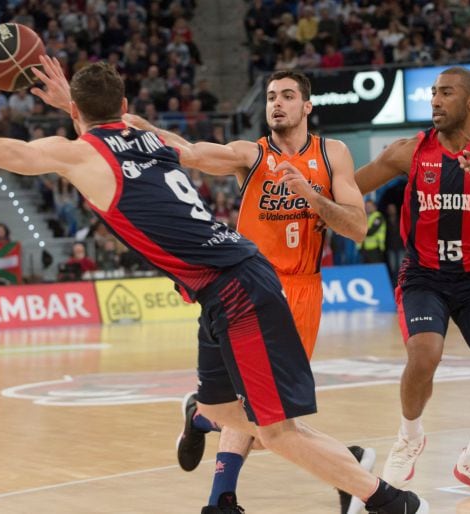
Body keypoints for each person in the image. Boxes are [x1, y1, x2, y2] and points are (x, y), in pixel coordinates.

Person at [0, 60, 428, 514]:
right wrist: (74, 96)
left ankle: (388, 499)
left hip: (238, 286)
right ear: (122, 105)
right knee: (222, 411)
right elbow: (113, 119)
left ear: (79, 118)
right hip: (224, 283)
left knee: (274, 430)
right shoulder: (151, 140)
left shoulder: (82, 156)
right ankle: (213, 427)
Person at [125, 69, 373, 514]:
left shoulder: (332, 154)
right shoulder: (250, 155)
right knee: (262, 412)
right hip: (249, 285)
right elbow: (190, 152)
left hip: (301, 292)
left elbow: (356, 226)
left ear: (307, 106)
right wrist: (136, 127)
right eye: (271, 97)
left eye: (288, 96)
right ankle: (229, 495)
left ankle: (204, 417)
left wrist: (312, 197)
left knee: (268, 420)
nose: (277, 103)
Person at [354, 66, 470, 496]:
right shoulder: (410, 151)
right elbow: (350, 185)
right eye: (434, 94)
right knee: (425, 355)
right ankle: (409, 437)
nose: (436, 101)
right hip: (424, 275)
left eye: (447, 93)